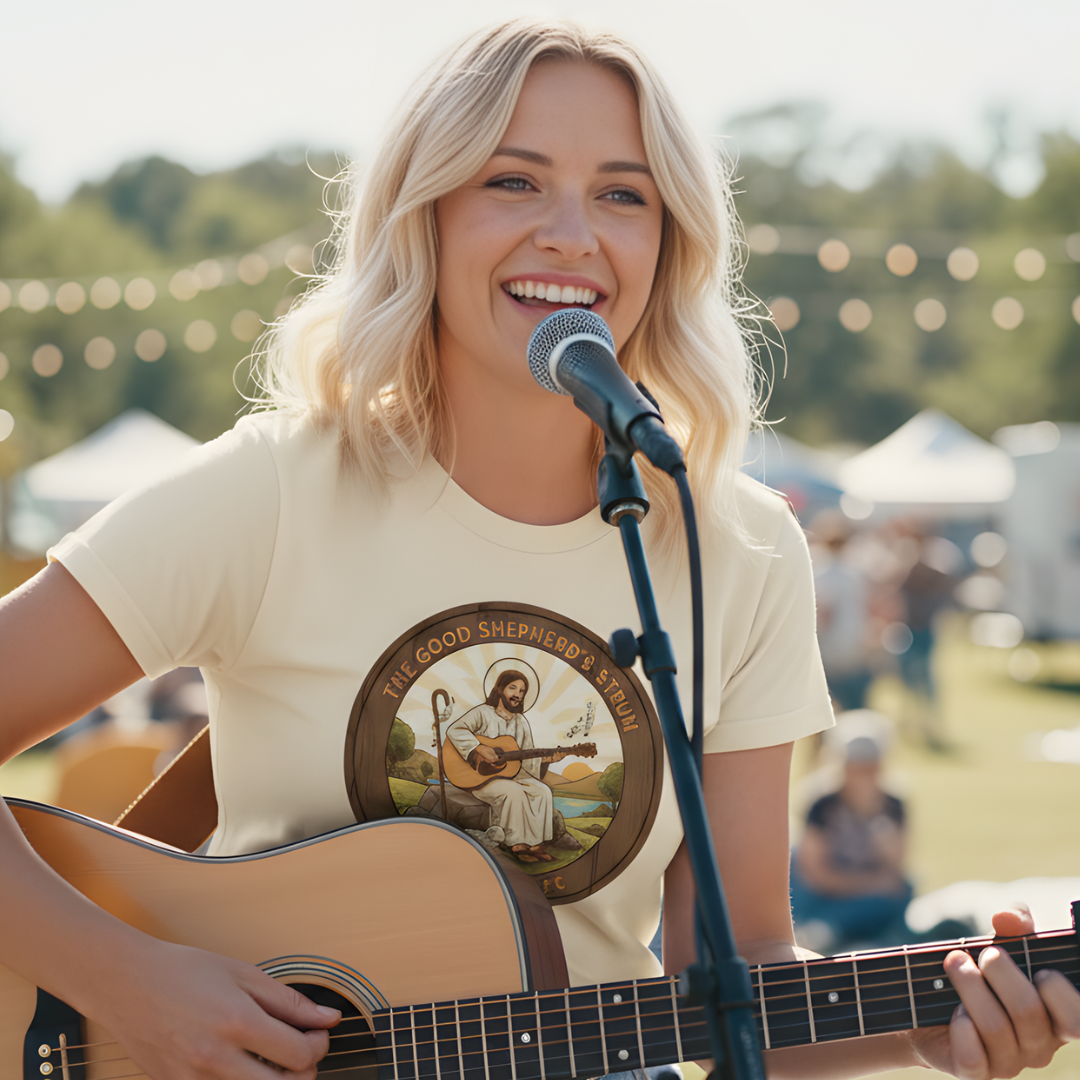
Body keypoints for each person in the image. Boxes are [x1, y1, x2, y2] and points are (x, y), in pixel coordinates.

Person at [0, 19, 1077, 1080]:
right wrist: (128, 983)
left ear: (670, 241)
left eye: (623, 193)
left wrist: (933, 1028)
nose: (572, 235)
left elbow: (737, 972)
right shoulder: (272, 491)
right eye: (512, 182)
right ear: (423, 215)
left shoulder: (739, 549)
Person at [790, 734, 912, 951]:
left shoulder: (892, 805)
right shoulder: (822, 804)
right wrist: (869, 884)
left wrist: (876, 824)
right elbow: (813, 872)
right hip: (824, 889)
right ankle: (822, 929)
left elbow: (895, 872)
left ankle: (830, 929)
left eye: (870, 769)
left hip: (865, 894)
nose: (864, 779)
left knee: (904, 889)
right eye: (857, 769)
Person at [445, 670, 557, 861]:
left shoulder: (521, 722)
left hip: (510, 774)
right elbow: (454, 729)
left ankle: (536, 845)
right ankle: (515, 844)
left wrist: (545, 760)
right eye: (512, 688)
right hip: (480, 777)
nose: (517, 695)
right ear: (500, 688)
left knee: (543, 791)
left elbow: (527, 757)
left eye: (522, 691)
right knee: (513, 792)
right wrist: (478, 747)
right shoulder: (482, 713)